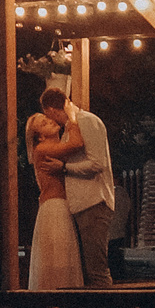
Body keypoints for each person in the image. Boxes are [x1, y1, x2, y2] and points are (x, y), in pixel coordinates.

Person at [25, 88, 86, 290]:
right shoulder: (43, 149)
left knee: (63, 257)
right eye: (44, 124)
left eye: (47, 119)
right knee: (59, 258)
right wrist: (72, 117)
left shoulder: (55, 145)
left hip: (60, 205)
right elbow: (77, 143)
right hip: (55, 207)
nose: (50, 122)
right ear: (40, 137)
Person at [56, 94, 119, 286]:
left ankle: (105, 302)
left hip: (93, 202)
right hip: (81, 204)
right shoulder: (71, 127)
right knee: (87, 270)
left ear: (52, 110)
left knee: (96, 268)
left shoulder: (87, 121)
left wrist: (65, 168)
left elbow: (97, 163)